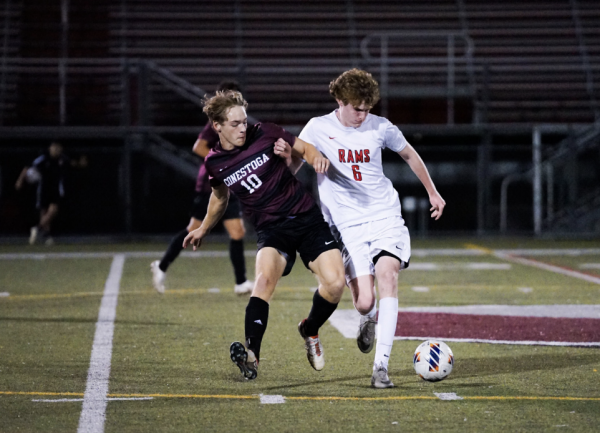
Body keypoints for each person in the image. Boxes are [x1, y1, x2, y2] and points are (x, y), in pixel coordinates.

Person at [297, 68, 446, 388]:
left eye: (368, 108)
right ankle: (367, 317)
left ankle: (381, 368)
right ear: (339, 100)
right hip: (346, 227)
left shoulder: (381, 126)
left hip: (384, 216)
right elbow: (295, 160)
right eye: (356, 108)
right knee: (364, 302)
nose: (363, 114)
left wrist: (432, 191)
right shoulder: (318, 127)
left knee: (388, 275)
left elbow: (408, 154)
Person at [183, 89, 345, 381]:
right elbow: (219, 199)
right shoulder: (215, 163)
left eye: (244, 121)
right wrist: (203, 228)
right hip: (272, 230)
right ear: (217, 126)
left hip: (307, 219)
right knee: (263, 281)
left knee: (335, 285)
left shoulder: (267, 132)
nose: (243, 128)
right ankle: (252, 356)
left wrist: (317, 157)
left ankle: (309, 329)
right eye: (235, 123)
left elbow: (306, 149)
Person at [151, 81, 254, 295]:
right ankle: (161, 267)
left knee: (237, 232)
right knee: (193, 230)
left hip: (229, 185)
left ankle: (241, 282)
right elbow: (198, 147)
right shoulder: (217, 122)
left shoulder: (239, 124)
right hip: (211, 187)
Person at [14, 141, 85, 245]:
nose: (56, 150)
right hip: (43, 188)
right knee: (44, 212)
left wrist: (80, 163)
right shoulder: (43, 158)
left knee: (53, 210)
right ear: (50, 148)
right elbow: (27, 168)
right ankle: (46, 236)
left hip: (55, 188)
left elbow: (72, 163)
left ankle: (37, 229)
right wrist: (20, 180)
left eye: (58, 147)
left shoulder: (62, 158)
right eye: (54, 147)